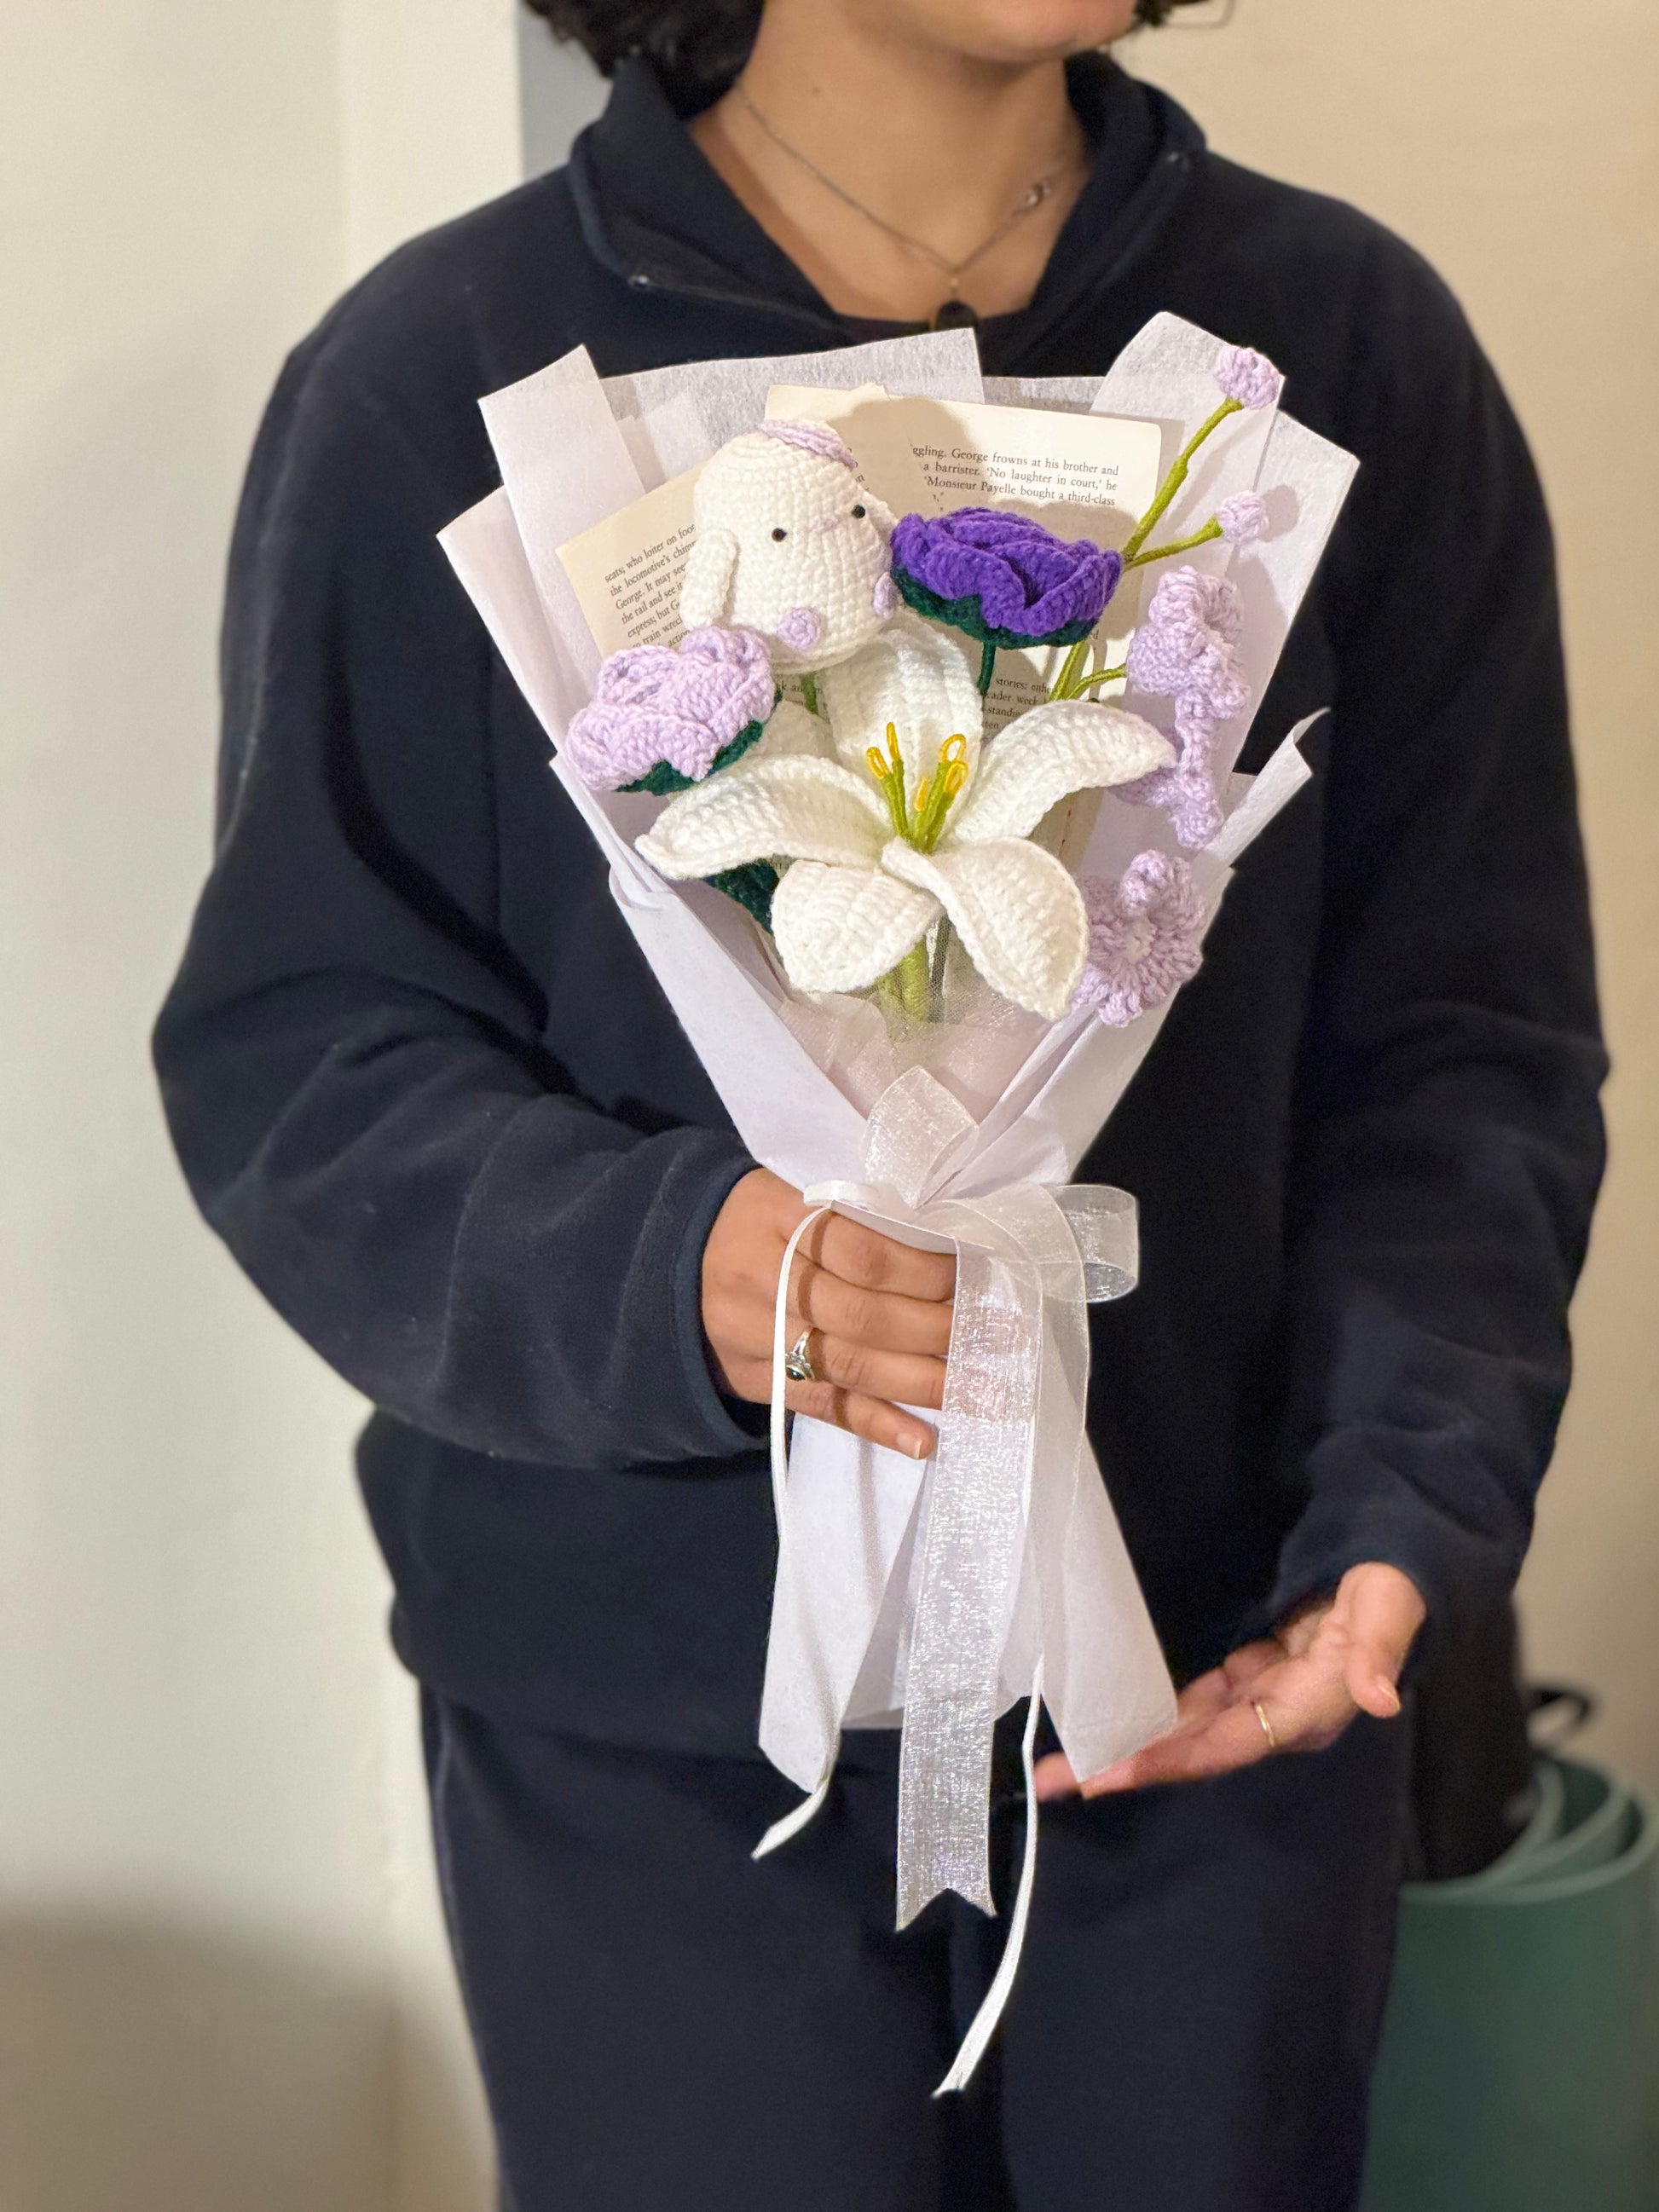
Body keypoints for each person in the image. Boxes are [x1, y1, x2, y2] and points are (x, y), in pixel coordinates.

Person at [153, 1, 1605, 2204]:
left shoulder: (1329, 350)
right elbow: (303, 1060)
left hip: (1215, 1687)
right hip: (653, 1738)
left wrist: (1401, 1513)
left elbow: (1459, 1045)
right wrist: (677, 1269)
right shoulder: (436, 378)